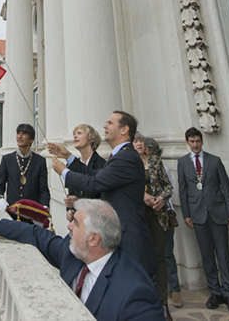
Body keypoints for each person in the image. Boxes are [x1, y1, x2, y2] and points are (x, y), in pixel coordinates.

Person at [0, 199, 163, 320]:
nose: (68, 226)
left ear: (93, 239)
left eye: (76, 223)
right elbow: (39, 237)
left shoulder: (136, 294)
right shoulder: (74, 253)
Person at [52, 111, 157, 279]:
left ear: (124, 130)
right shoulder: (120, 155)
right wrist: (68, 157)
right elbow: (96, 175)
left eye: (110, 123)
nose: (104, 126)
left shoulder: (126, 157)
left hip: (128, 237)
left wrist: (64, 172)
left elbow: (94, 184)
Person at [177, 127, 229, 313]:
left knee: (223, 254)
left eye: (198, 141)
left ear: (202, 141)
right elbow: (183, 190)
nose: (195, 144)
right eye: (192, 141)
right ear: (187, 142)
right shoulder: (183, 163)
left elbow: (226, 187)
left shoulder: (214, 160)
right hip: (197, 215)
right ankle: (215, 291)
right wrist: (187, 214)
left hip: (217, 213)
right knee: (207, 255)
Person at [140, 136, 174, 321]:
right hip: (138, 216)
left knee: (160, 257)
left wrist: (162, 198)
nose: (138, 145)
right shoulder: (128, 163)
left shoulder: (155, 162)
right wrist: (142, 194)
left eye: (140, 142)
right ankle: (145, 299)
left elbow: (168, 186)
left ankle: (162, 303)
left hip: (157, 215)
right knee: (142, 257)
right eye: (135, 142)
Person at [48, 124, 105, 219]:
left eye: (79, 133)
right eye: (74, 134)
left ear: (91, 139)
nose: (75, 136)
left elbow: (98, 195)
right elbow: (71, 193)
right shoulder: (75, 164)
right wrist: (69, 210)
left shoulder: (101, 164)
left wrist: (78, 203)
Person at [0, 123, 50, 209]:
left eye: (24, 134)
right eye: (18, 133)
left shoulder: (40, 161)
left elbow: (43, 189)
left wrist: (45, 207)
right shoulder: (7, 159)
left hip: (32, 212)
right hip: (12, 211)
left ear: (31, 140)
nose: (19, 137)